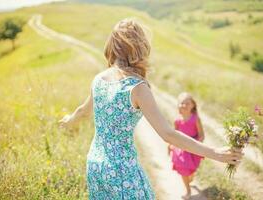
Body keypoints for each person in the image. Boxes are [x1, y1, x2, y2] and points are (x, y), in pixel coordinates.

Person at [59, 18, 243, 200]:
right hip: (122, 172)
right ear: (140, 48)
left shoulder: (98, 79)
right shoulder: (137, 87)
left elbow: (83, 111)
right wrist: (215, 153)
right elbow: (168, 134)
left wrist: (68, 121)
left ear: (113, 45)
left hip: (95, 166)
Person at [168, 92, 204, 199]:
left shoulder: (195, 119)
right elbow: (174, 134)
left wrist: (197, 146)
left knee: (192, 171)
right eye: (182, 103)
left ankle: (190, 179)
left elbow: (201, 135)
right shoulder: (177, 120)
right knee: (183, 169)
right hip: (181, 148)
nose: (184, 105)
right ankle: (188, 191)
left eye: (187, 103)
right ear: (178, 105)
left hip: (193, 146)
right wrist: (170, 145)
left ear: (193, 105)